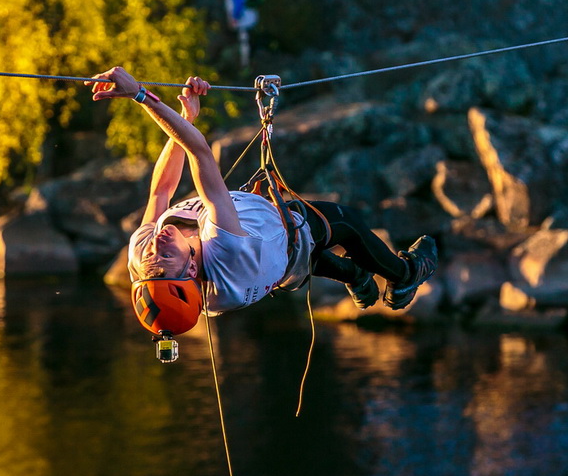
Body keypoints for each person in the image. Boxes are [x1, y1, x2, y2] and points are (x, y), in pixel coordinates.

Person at [85, 66, 437, 339]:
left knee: (320, 263)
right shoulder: (226, 253)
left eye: (149, 260)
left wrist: (188, 117)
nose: (154, 248)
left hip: (272, 261)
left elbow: (161, 190)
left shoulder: (143, 255)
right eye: (165, 256)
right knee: (346, 225)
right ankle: (405, 277)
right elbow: (200, 152)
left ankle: (357, 278)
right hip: (285, 242)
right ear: (192, 270)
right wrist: (141, 96)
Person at [218, 0, 259, 71]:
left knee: (244, 41)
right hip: (248, 17)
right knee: (244, 42)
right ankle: (245, 66)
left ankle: (245, 67)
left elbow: (239, 0)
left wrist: (235, 17)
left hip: (244, 19)